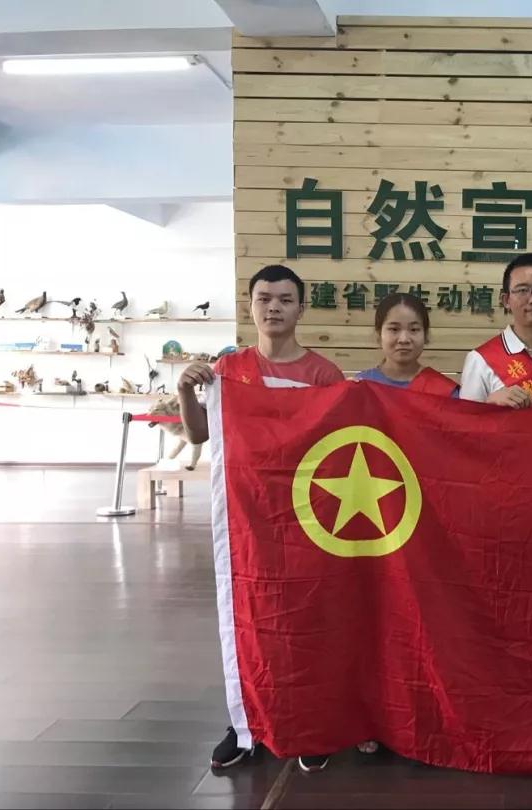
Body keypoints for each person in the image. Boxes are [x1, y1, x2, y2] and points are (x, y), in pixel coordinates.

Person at [177, 263, 346, 774]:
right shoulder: (227, 371)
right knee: (249, 621)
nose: (274, 307)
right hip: (247, 521)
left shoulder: (324, 375)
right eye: (264, 298)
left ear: (301, 308)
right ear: (250, 305)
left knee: (309, 623)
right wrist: (186, 391)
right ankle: (245, 722)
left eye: (285, 299)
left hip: (308, 521)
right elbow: (199, 436)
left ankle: (311, 724)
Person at [459, 253, 532, 407]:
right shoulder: (479, 360)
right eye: (523, 290)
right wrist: (489, 404)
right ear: (506, 300)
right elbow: (465, 420)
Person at [354, 292, 459, 396]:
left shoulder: (445, 392)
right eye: (394, 329)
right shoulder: (361, 387)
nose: (404, 339)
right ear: (378, 334)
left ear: (426, 334)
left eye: (414, 329)